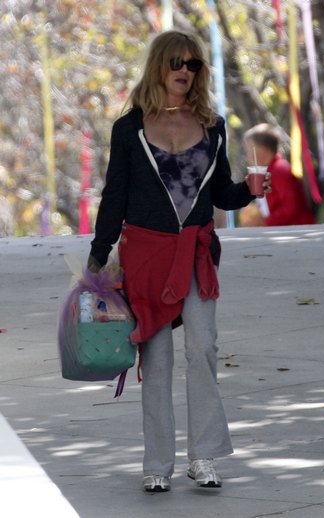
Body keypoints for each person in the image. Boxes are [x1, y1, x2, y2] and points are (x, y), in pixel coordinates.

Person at [87, 30, 269, 493]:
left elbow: (221, 194)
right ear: (159, 67)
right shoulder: (129, 128)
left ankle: (203, 457)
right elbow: (115, 196)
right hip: (146, 256)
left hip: (195, 254)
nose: (185, 71)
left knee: (203, 347)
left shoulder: (213, 124)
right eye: (176, 63)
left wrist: (249, 190)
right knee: (158, 358)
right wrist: (98, 255)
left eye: (193, 65)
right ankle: (157, 465)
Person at [243, 123, 316, 226]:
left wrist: (264, 222)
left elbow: (291, 207)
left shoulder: (280, 170)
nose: (247, 155)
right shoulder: (266, 172)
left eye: (250, 149)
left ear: (263, 150)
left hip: (297, 231)